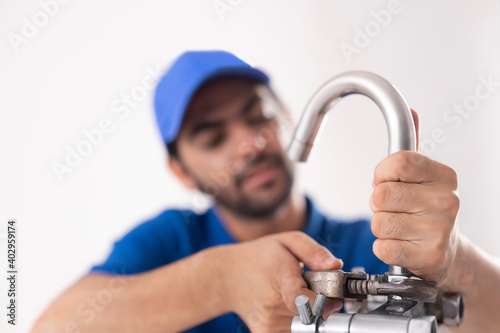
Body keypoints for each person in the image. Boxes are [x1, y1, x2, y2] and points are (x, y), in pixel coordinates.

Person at [33, 50, 500, 333]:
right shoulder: (171, 242)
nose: (250, 144)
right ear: (181, 172)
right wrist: (220, 281)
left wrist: (456, 261)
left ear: (288, 117)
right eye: (214, 137)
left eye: (258, 117)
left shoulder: (379, 242)